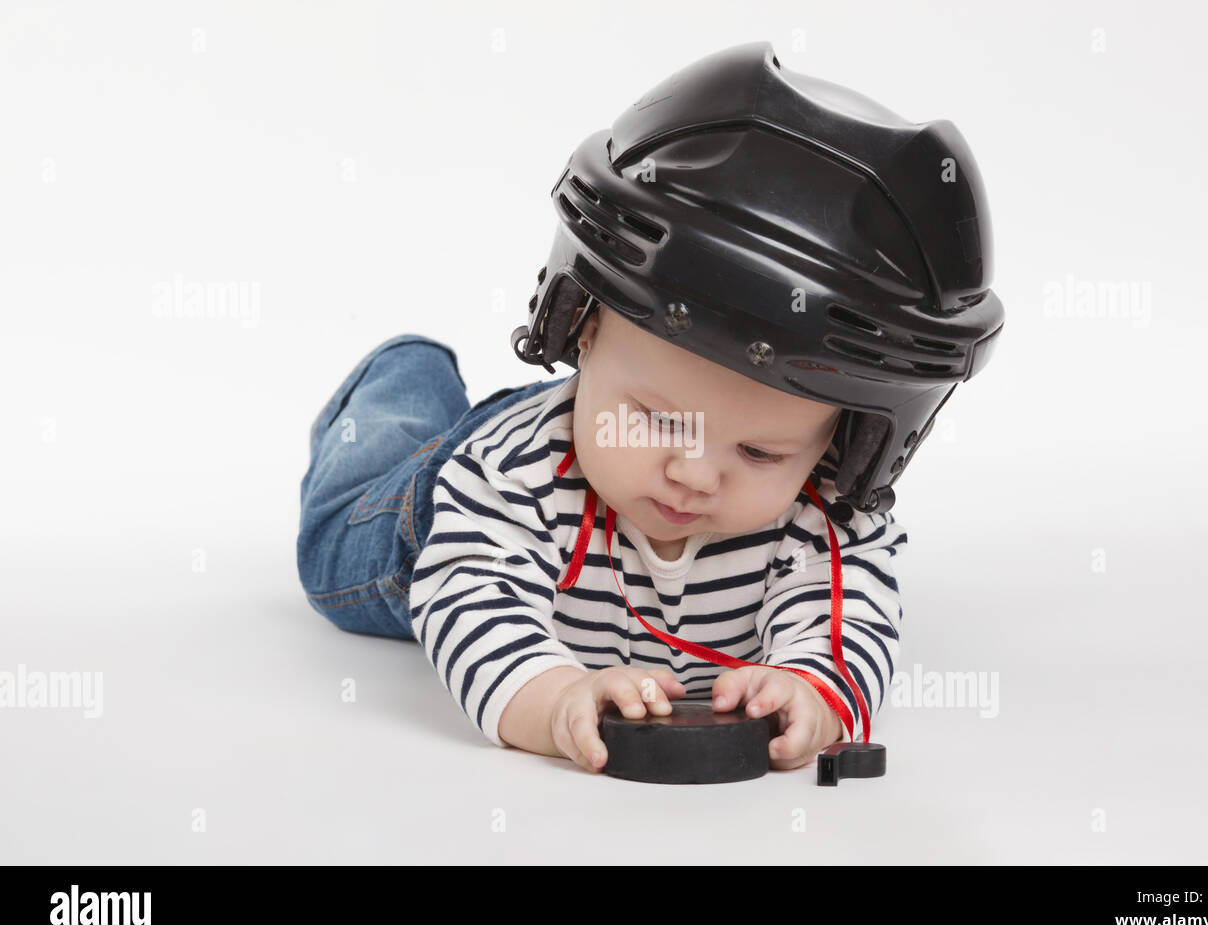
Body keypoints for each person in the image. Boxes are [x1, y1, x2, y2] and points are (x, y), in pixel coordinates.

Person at [297, 41, 1004, 775]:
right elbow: (469, 594)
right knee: (333, 544)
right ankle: (403, 376)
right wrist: (555, 698)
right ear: (582, 325)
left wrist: (815, 690)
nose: (694, 474)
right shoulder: (506, 480)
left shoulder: (824, 514)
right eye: (661, 420)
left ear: (846, 442)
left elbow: (852, 617)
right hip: (433, 503)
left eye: (761, 453)